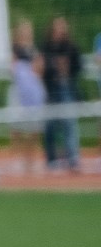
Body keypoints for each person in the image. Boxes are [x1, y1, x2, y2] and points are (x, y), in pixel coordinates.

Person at [38, 15, 83, 171]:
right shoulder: (46, 47)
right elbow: (41, 69)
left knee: (69, 123)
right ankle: (52, 159)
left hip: (67, 88)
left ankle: (72, 158)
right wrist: (53, 68)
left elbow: (78, 66)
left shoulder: (71, 47)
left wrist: (67, 69)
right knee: (50, 125)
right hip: (50, 89)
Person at [7, 24, 47, 175]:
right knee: (16, 127)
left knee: (34, 128)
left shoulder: (35, 51)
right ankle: (17, 158)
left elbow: (40, 69)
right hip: (19, 93)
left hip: (33, 94)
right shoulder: (14, 50)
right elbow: (11, 68)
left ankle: (29, 159)